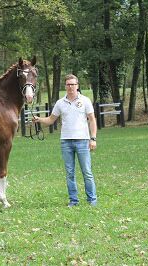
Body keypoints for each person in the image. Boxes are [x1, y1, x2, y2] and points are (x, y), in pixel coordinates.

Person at [33, 74, 97, 207]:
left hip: (82, 141)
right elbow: (51, 119)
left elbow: (92, 119)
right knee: (70, 173)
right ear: (65, 86)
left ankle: (92, 200)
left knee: (87, 171)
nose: (70, 87)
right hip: (66, 142)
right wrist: (39, 119)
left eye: (73, 84)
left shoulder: (85, 101)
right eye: (68, 84)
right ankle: (74, 200)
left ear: (77, 86)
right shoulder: (60, 103)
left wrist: (93, 138)